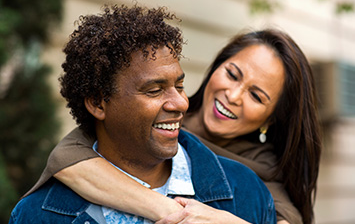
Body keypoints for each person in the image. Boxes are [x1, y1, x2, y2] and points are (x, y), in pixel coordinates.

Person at [22, 26, 321, 223]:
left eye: (256, 95)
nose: (233, 95)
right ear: (215, 67)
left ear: (271, 119)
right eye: (232, 74)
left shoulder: (259, 181)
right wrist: (168, 211)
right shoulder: (158, 118)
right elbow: (67, 159)